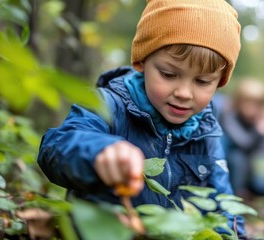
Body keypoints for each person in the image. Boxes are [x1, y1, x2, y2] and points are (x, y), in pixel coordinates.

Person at [37, 0, 245, 236]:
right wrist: (98, 152)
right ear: (142, 61)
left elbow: (224, 203)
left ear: (219, 82)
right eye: (168, 74)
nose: (184, 93)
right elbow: (55, 147)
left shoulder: (206, 131)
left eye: (202, 81)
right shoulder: (107, 105)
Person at [219, 79, 264, 197]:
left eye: (257, 103)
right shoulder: (229, 114)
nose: (252, 107)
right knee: (237, 157)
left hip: (261, 158)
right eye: (247, 102)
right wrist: (258, 132)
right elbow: (243, 142)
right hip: (233, 160)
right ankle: (237, 193)